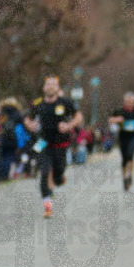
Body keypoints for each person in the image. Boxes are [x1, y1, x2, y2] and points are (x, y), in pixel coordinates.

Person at [24, 75, 82, 218]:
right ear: (44, 88)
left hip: (60, 144)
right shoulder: (38, 103)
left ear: (58, 88)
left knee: (58, 175)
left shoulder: (65, 103)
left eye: (53, 84)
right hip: (43, 143)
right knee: (44, 171)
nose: (50, 86)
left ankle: (58, 178)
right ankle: (48, 205)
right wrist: (31, 125)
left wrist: (69, 125)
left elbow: (78, 117)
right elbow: (27, 118)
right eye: (48, 84)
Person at [108, 91, 134, 191]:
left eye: (131, 101)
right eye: (127, 101)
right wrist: (117, 120)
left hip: (133, 136)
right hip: (123, 136)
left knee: (130, 155)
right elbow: (111, 120)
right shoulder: (119, 111)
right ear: (124, 102)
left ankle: (130, 175)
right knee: (124, 159)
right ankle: (125, 178)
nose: (129, 103)